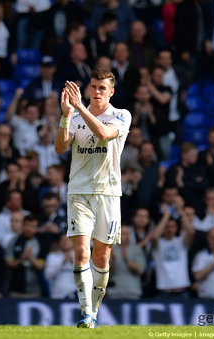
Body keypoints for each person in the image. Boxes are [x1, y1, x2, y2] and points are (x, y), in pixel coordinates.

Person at [54, 70, 131, 328]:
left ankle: (93, 312)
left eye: (102, 88)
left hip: (108, 193)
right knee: (81, 252)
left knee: (102, 257)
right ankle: (86, 313)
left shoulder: (121, 115)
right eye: (93, 87)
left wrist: (78, 109)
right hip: (78, 192)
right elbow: (60, 147)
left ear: (111, 92)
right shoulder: (75, 115)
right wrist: (66, 117)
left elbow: (104, 134)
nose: (96, 92)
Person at [149, 200, 195, 299]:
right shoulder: (158, 244)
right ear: (163, 228)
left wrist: (181, 212)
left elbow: (191, 232)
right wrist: (166, 215)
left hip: (182, 290)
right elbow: (153, 237)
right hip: (163, 291)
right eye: (167, 227)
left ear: (176, 228)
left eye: (173, 227)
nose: (170, 229)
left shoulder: (181, 242)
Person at [6, 215, 46, 298]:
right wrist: (22, 259)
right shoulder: (14, 241)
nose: (29, 229)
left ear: (36, 228)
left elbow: (41, 267)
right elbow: (9, 264)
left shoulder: (41, 242)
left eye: (33, 227)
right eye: (27, 226)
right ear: (23, 225)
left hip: (35, 290)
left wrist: (30, 257)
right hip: (15, 290)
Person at [106, 225, 146, 299]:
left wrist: (126, 260)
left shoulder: (136, 250)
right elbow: (106, 272)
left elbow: (139, 270)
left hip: (132, 292)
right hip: (113, 293)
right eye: (124, 233)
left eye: (128, 233)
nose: (127, 236)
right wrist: (114, 259)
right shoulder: (109, 249)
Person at [45, 234, 76, 299]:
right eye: (63, 240)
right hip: (58, 295)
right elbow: (48, 276)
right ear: (59, 242)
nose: (65, 242)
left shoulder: (81, 257)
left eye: (68, 240)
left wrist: (74, 264)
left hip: (77, 294)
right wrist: (62, 264)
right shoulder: (52, 256)